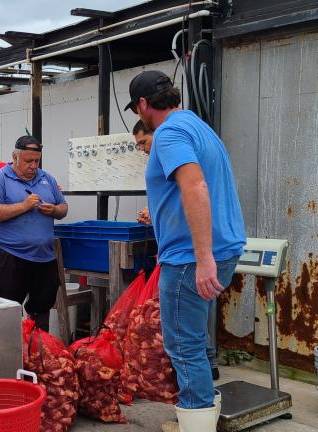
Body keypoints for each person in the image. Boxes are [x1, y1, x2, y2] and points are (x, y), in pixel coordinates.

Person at [126, 70, 246, 431]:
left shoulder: (168, 134)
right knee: (198, 341)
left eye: (136, 109)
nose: (138, 115)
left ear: (144, 104)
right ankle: (205, 411)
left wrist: (203, 258)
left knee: (183, 345)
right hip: (221, 247)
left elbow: (195, 187)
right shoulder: (197, 125)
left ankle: (196, 420)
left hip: (189, 257)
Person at [134, 119, 222, 382]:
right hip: (190, 252)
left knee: (185, 340)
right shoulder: (197, 141)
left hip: (188, 255)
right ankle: (206, 376)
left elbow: (194, 196)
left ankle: (197, 406)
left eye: (143, 142)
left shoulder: (172, 143)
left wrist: (203, 258)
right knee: (193, 328)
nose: (142, 149)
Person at [0, 135, 68, 330]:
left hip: (45, 259)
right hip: (12, 258)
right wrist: (23, 206)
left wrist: (54, 210)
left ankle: (39, 351)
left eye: (36, 161)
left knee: (42, 309)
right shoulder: (0, 179)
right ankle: (7, 355)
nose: (33, 166)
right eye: (28, 161)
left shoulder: (47, 178)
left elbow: (63, 207)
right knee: (6, 311)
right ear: (15, 157)